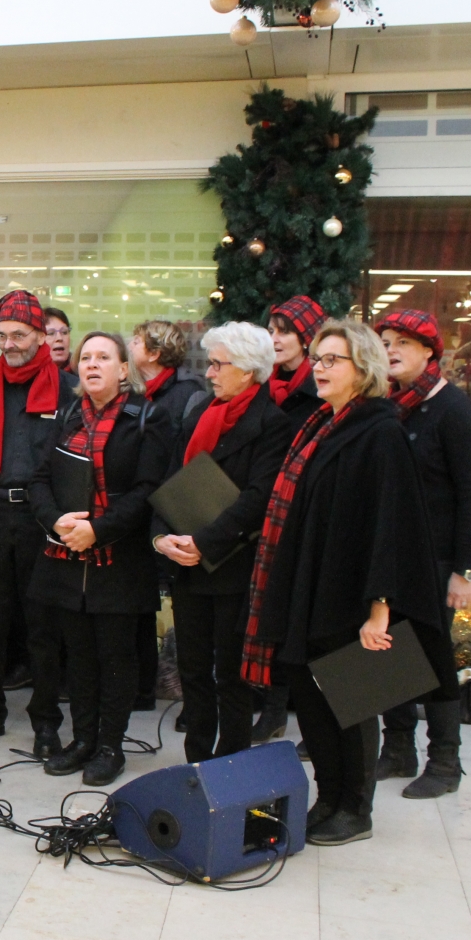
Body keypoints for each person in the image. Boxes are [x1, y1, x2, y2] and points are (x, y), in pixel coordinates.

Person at [241, 319, 455, 846]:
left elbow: (390, 524)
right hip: (313, 586)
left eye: (332, 360)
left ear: (363, 369)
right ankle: (329, 798)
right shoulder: (323, 424)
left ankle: (356, 809)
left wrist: (380, 610)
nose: (319, 367)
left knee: (351, 702)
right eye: (318, 358)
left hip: (353, 594)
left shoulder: (379, 431)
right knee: (313, 702)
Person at [28, 332, 171, 786]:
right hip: (67, 554)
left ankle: (110, 747)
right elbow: (39, 479)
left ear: (124, 369)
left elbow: (149, 491)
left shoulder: (147, 417)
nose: (91, 364)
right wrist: (57, 522)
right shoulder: (67, 415)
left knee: (115, 658)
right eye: (85, 357)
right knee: (79, 657)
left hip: (120, 560)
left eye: (103, 357)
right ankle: (82, 740)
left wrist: (98, 530)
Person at [153, 322, 293, 762]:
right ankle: (196, 758)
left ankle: (231, 761)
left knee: (232, 676)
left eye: (218, 364)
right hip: (188, 563)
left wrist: (202, 542)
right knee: (192, 670)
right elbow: (171, 481)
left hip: (233, 565)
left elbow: (258, 497)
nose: (210, 373)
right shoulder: (200, 414)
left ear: (248, 371)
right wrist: (161, 537)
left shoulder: (272, 424)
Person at [0, 290, 77, 749]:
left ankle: (45, 721)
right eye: (3, 336)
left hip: (40, 517)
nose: (10, 344)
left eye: (20, 335)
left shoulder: (66, 388)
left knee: (42, 628)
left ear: (41, 336)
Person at [374, 309, 471, 799]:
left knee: (433, 655)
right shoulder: (388, 406)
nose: (391, 350)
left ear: (428, 351)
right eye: (385, 342)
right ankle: (398, 748)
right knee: (387, 652)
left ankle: (445, 761)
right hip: (391, 557)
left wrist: (464, 571)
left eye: (403, 342)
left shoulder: (453, 409)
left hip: (436, 560)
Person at [250, 294, 328, 742]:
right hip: (273, 517)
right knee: (277, 619)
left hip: (312, 522)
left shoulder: (321, 398)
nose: (275, 339)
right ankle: (275, 710)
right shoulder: (267, 388)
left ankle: (417, 747)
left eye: (286, 332)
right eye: (271, 330)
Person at [127, 320, 207, 711]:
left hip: (171, 510)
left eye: (136, 341)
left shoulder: (188, 395)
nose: (129, 345)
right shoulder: (132, 392)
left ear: (155, 353)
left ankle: (185, 693)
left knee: (178, 609)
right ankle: (143, 686)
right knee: (139, 602)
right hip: (137, 510)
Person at [267, 295, 327, 427]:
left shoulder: (319, 384)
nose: (272, 339)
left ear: (305, 340)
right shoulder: (262, 378)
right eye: (271, 331)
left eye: (284, 332)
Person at [44, 308, 74, 375]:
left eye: (64, 332)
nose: (59, 338)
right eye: (51, 333)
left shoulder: (81, 371)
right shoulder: (30, 375)